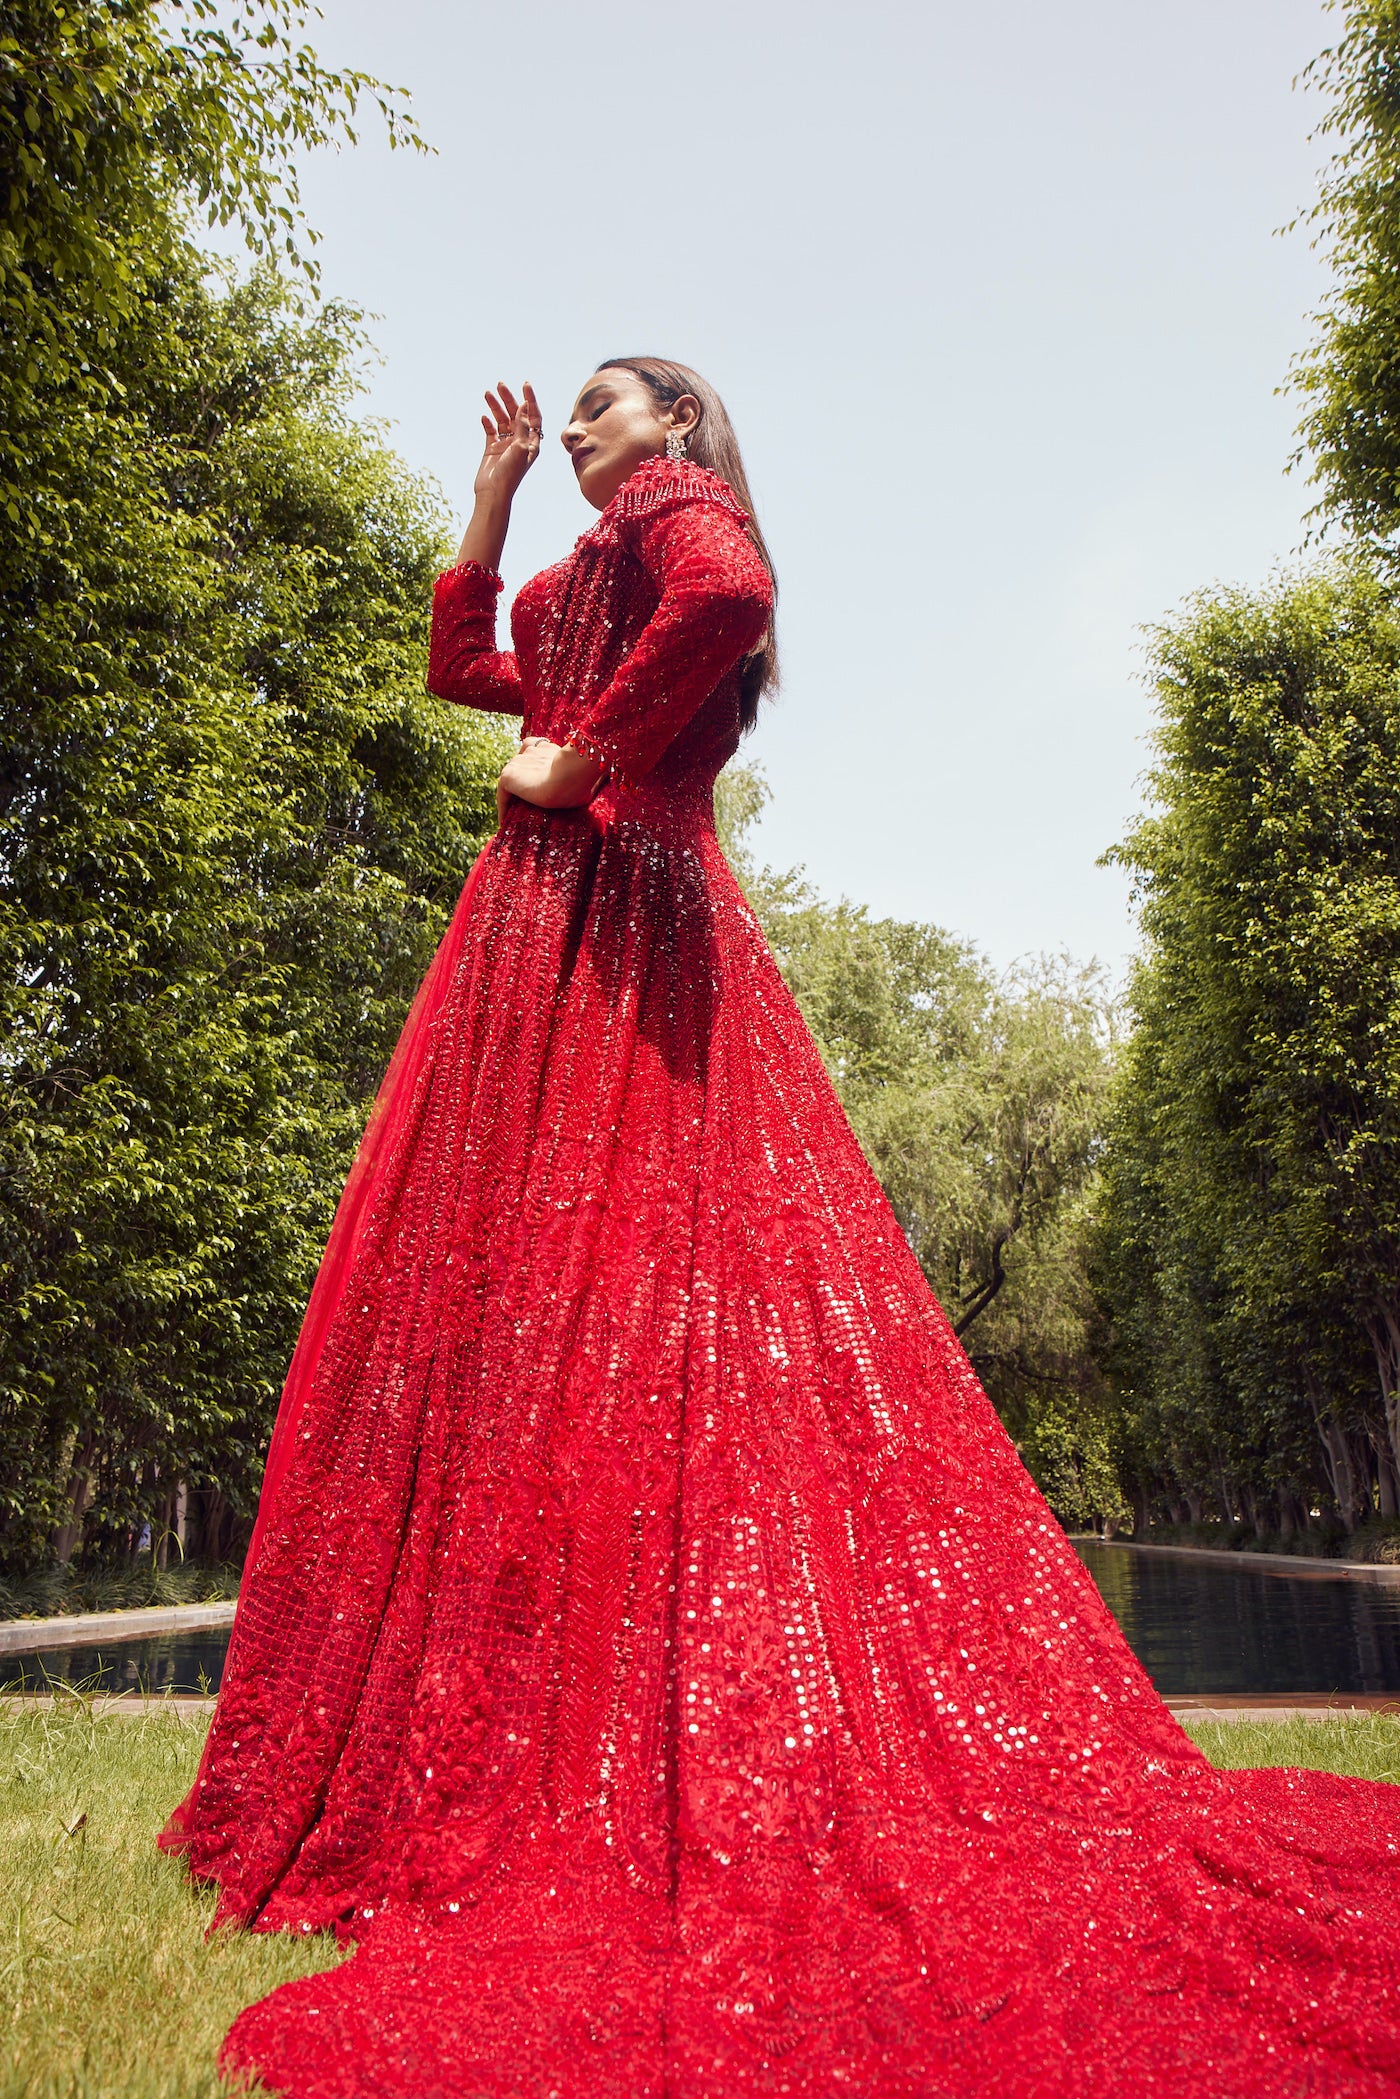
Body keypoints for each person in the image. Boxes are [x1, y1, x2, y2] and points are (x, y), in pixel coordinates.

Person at [162, 358, 1400, 2097]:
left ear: (677, 423)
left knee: (632, 1276)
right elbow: (460, 669)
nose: (581, 422)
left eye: (603, 403)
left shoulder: (685, 514)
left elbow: (735, 591)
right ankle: (532, 1733)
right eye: (574, 413)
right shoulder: (592, 548)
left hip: (620, 897)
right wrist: (499, 500)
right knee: (543, 1289)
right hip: (555, 907)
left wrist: (589, 762)